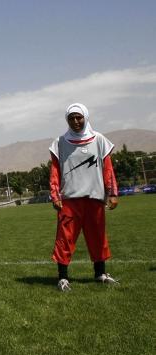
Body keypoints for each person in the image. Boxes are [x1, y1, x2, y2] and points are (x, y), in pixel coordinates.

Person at [49, 103, 119, 292]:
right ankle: (63, 278)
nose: (75, 121)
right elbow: (55, 172)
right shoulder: (60, 142)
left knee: (98, 237)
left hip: (95, 198)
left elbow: (108, 169)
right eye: (71, 118)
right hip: (70, 201)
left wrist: (112, 193)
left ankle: (100, 274)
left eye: (79, 117)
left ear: (86, 117)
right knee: (65, 239)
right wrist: (55, 194)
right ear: (67, 120)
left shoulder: (99, 140)